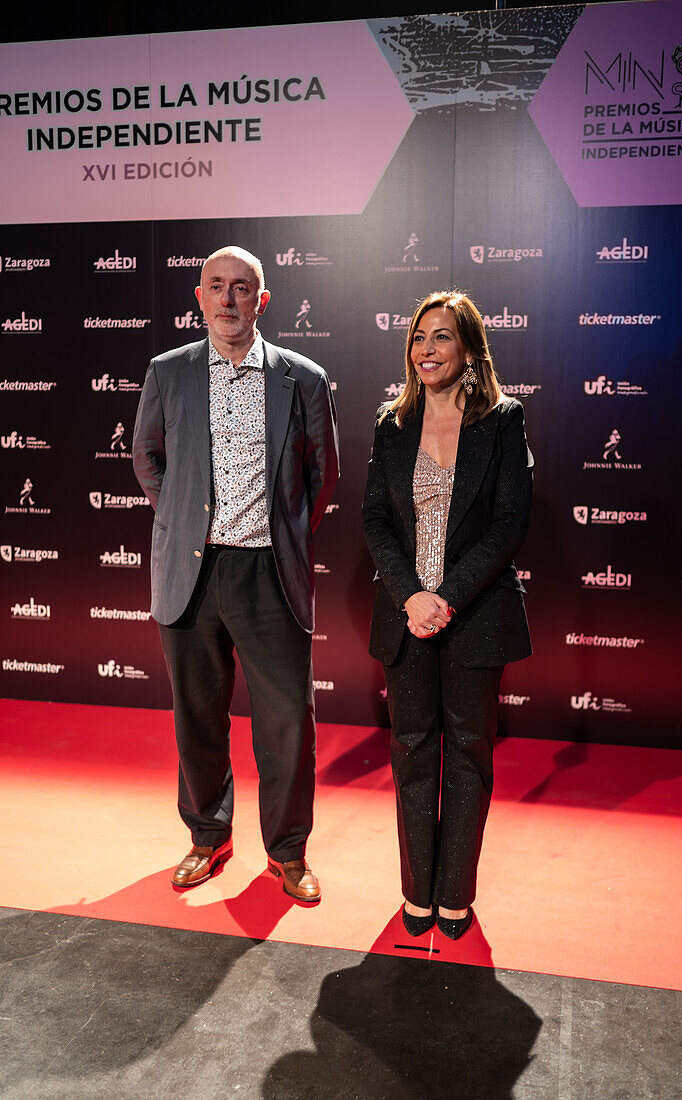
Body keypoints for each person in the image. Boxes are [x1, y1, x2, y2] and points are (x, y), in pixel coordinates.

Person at [133, 246, 339, 901]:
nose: (228, 299)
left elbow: (321, 474)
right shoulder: (169, 373)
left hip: (271, 576)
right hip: (192, 574)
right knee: (198, 718)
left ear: (262, 300)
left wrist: (284, 534)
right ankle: (206, 836)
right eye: (216, 287)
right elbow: (147, 456)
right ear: (199, 297)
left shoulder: (302, 377)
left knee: (286, 722)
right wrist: (183, 522)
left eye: (241, 288)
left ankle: (288, 852)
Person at [362, 290, 533, 939]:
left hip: (474, 614)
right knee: (410, 753)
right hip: (406, 618)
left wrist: (447, 597)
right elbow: (374, 518)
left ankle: (454, 894)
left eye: (442, 337)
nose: (427, 350)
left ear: (468, 349)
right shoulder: (392, 421)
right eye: (419, 337)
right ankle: (416, 892)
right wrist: (411, 596)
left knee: (467, 754)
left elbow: (509, 524)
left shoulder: (503, 419)